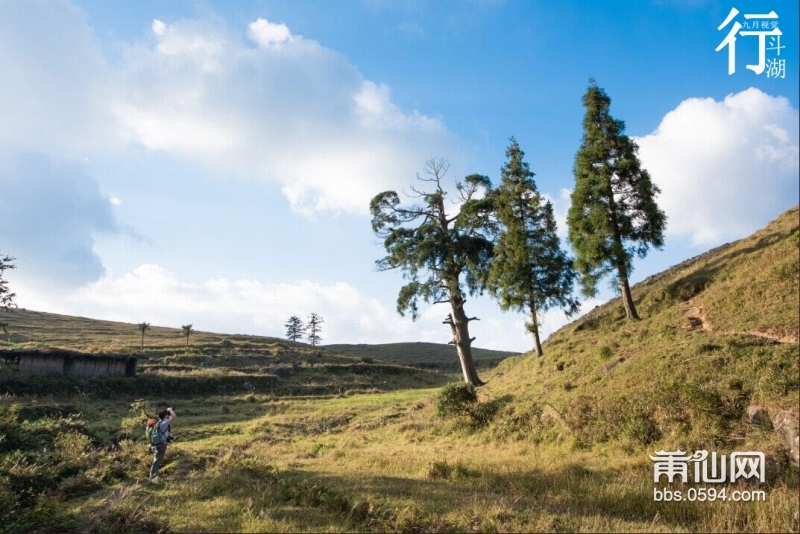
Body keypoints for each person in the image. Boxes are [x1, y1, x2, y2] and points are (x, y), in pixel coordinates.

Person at [149, 407, 176, 483]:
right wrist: (170, 410)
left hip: (158, 444)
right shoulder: (164, 423)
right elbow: (173, 416)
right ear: (165, 416)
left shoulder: (159, 423)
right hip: (160, 445)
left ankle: (154, 477)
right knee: (157, 461)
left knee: (157, 461)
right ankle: (152, 479)